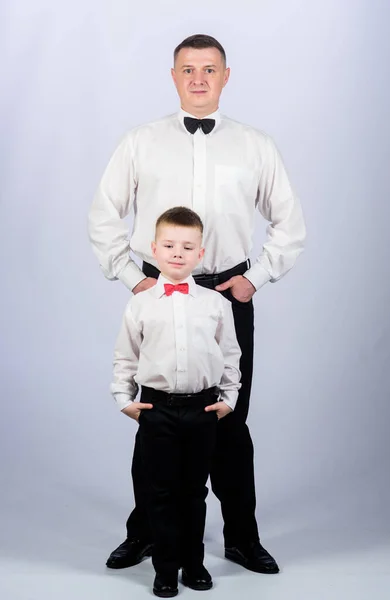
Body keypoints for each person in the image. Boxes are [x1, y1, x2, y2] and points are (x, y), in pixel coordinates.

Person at [89, 33, 306, 575]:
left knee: (228, 422)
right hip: (158, 292)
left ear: (226, 76)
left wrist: (255, 278)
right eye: (188, 69)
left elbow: (289, 223)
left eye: (210, 69)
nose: (199, 79)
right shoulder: (141, 141)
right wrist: (129, 276)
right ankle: (146, 534)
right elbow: (103, 214)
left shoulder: (255, 144)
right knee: (157, 423)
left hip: (226, 294)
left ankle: (242, 538)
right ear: (173, 75)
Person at [111, 206, 241, 597]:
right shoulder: (140, 303)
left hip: (203, 408)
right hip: (157, 409)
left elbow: (230, 353)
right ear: (154, 250)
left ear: (200, 254)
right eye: (169, 245)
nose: (177, 253)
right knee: (162, 491)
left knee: (194, 491)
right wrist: (124, 399)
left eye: (187, 247)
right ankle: (165, 568)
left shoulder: (216, 304)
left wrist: (229, 397)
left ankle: (194, 564)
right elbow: (126, 355)